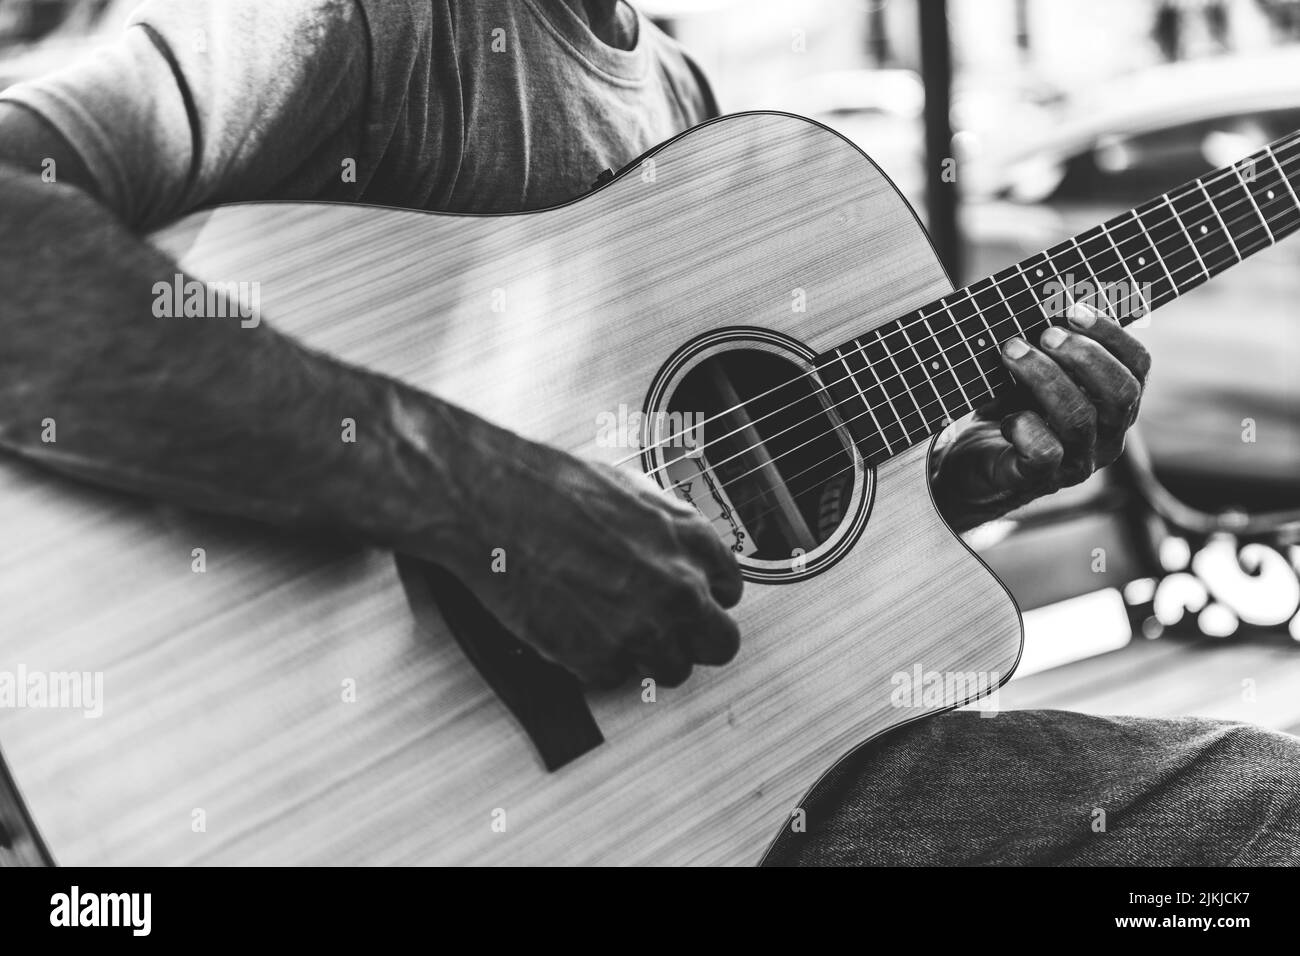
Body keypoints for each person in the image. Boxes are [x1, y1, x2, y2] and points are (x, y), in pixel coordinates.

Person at [0, 0, 1295, 865]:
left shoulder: (679, 86)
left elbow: (719, 542)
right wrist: (486, 502)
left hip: (705, 784)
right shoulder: (360, 22)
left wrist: (961, 487)